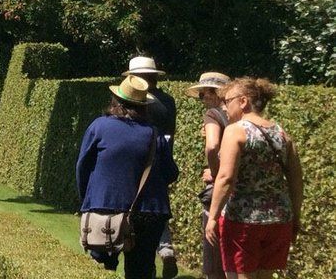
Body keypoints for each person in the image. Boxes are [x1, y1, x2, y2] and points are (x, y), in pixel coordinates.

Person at [77, 76, 179, 279]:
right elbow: (170, 173)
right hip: (148, 212)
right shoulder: (154, 133)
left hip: (105, 207)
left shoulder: (99, 127)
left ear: (116, 101)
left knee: (101, 270)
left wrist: (87, 201)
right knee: (140, 272)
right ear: (144, 107)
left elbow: (82, 166)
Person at [206, 78, 303, 279]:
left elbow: (225, 178)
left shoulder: (236, 130)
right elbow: (296, 180)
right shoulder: (282, 133)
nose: (224, 107)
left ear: (243, 101)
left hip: (243, 220)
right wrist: (296, 217)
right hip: (279, 219)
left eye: (227, 100)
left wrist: (213, 217)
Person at [123, 55, 179, 278]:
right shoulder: (168, 102)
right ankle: (165, 249)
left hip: (139, 162)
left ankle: (151, 257)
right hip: (163, 160)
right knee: (156, 208)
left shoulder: (139, 102)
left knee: (140, 212)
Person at [185, 72, 231, 279]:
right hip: (243, 195)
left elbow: (212, 147)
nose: (202, 100)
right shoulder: (242, 117)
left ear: (218, 94)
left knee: (214, 261)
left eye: (204, 95)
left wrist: (215, 173)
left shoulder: (213, 115)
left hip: (221, 190)